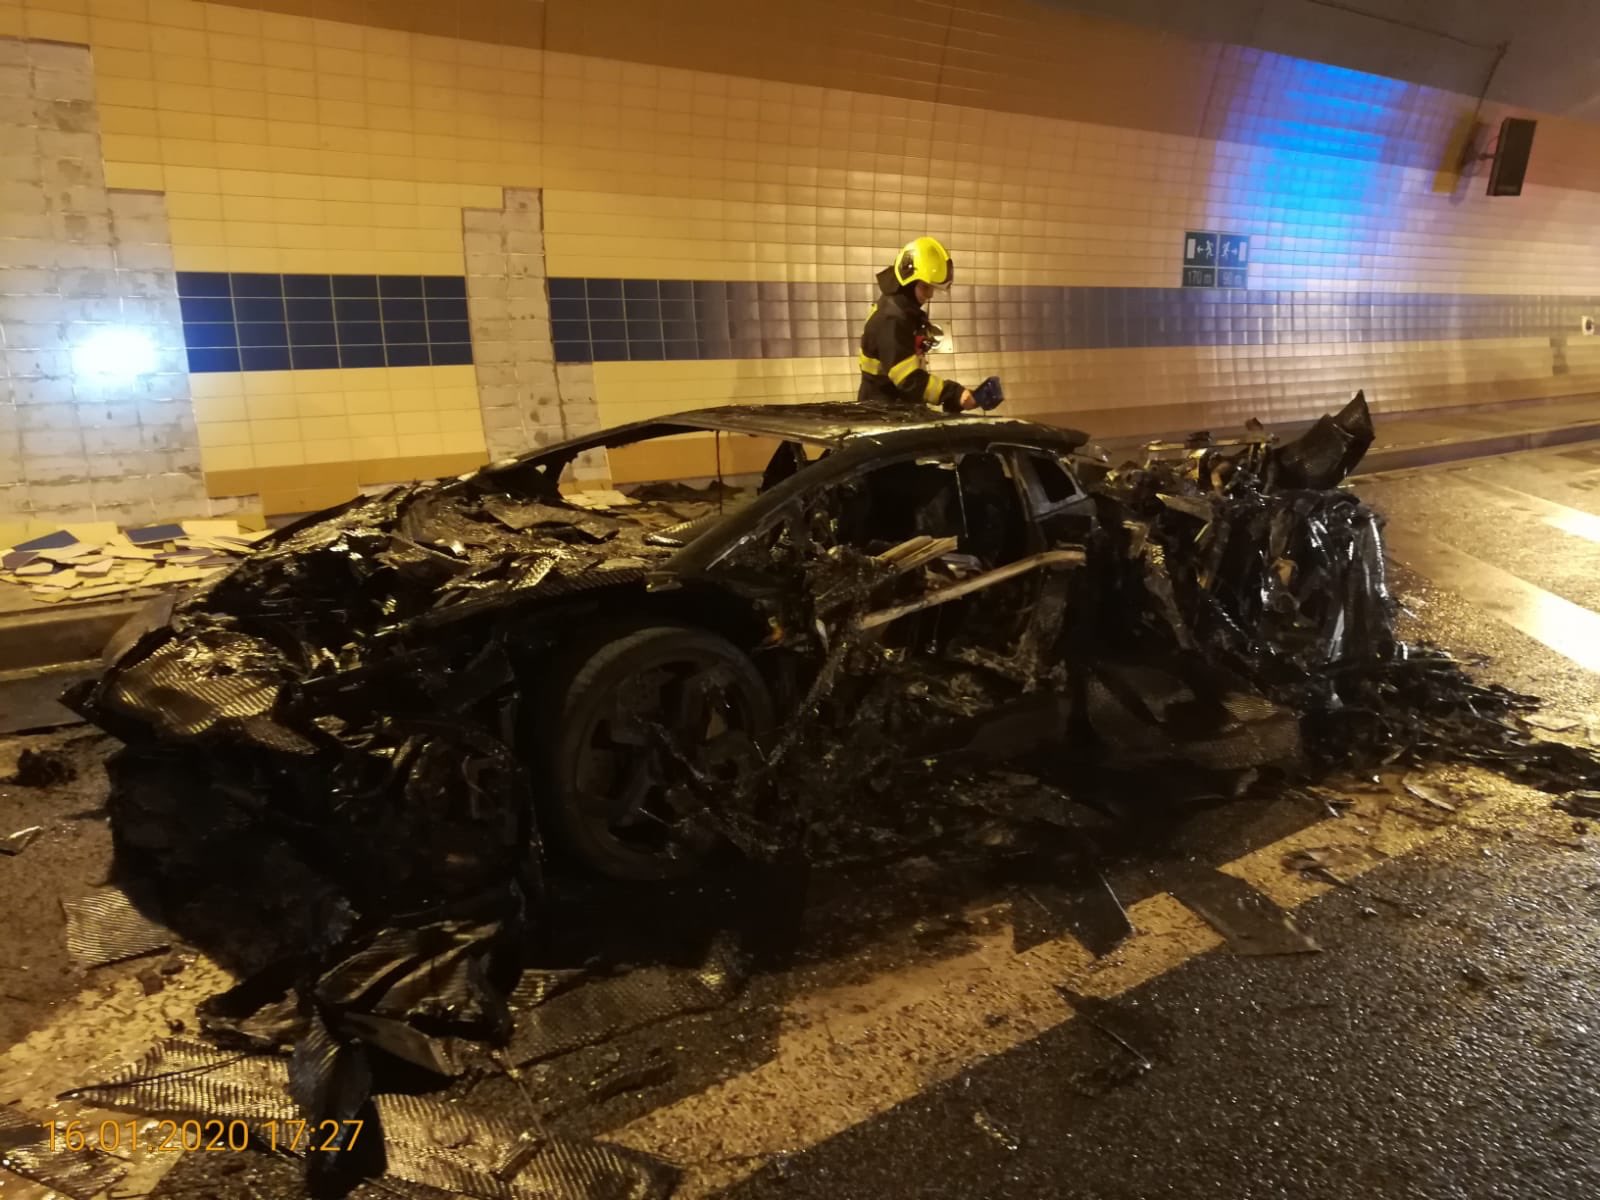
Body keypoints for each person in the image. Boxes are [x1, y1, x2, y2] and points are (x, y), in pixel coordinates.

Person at [857, 236, 977, 414]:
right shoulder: (892, 318)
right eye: (925, 288)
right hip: (883, 413)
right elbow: (908, 379)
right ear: (908, 281)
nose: (930, 295)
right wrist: (953, 394)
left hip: (892, 407)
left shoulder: (899, 309)